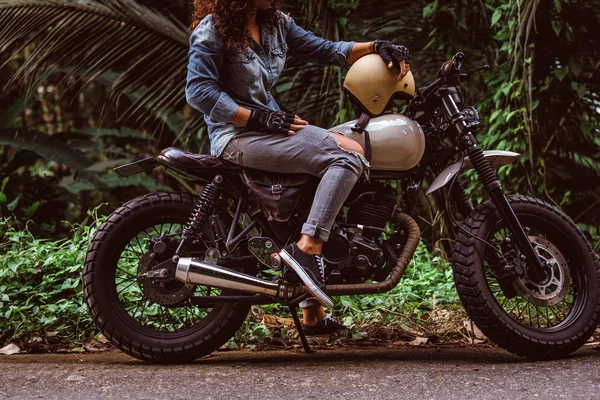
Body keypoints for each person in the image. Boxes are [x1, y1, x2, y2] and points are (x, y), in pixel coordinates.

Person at [186, 0, 410, 335]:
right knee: (347, 156)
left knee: (346, 150)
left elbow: (327, 50)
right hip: (237, 136)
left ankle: (312, 313)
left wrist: (376, 47)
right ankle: (308, 248)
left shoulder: (276, 24)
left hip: (272, 128)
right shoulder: (213, 30)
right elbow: (198, 91)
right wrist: (258, 117)